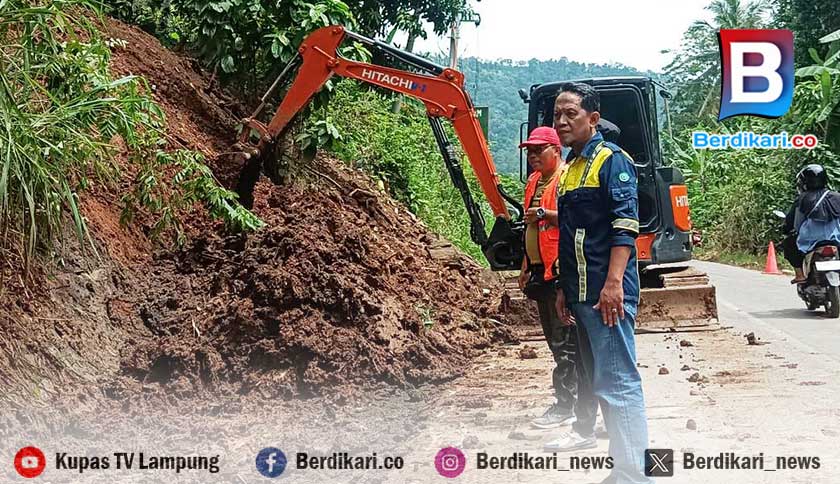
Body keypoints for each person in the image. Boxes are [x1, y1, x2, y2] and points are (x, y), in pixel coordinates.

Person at [547, 82, 652, 484]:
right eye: (557, 114)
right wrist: (563, 288)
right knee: (602, 382)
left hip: (605, 293)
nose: (561, 121)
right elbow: (576, 232)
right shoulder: (572, 166)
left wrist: (613, 285)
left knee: (619, 382)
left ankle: (637, 475)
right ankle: (624, 469)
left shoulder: (612, 161)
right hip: (581, 293)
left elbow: (625, 227)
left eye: (570, 113)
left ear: (592, 118)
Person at [517, 126, 578, 430]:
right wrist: (526, 264)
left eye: (538, 150)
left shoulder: (565, 179)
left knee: (564, 340)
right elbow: (530, 227)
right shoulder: (534, 182)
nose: (533, 156)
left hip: (560, 272)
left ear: (556, 150)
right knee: (556, 341)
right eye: (529, 151)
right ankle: (573, 401)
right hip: (541, 270)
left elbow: (574, 220)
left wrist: (544, 214)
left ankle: (568, 404)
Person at [783, 164, 840, 283]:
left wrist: (789, 230)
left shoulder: (802, 199)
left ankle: (800, 275)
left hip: (811, 241)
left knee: (789, 243)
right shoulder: (836, 196)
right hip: (836, 238)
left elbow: (796, 224)